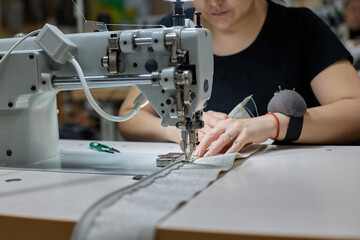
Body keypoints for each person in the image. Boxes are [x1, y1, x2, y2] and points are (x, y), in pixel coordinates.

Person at [119, 0, 360, 158]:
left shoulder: (301, 27)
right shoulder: (173, 32)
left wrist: (272, 125)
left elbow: (355, 111)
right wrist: (178, 127)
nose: (214, 2)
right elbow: (130, 115)